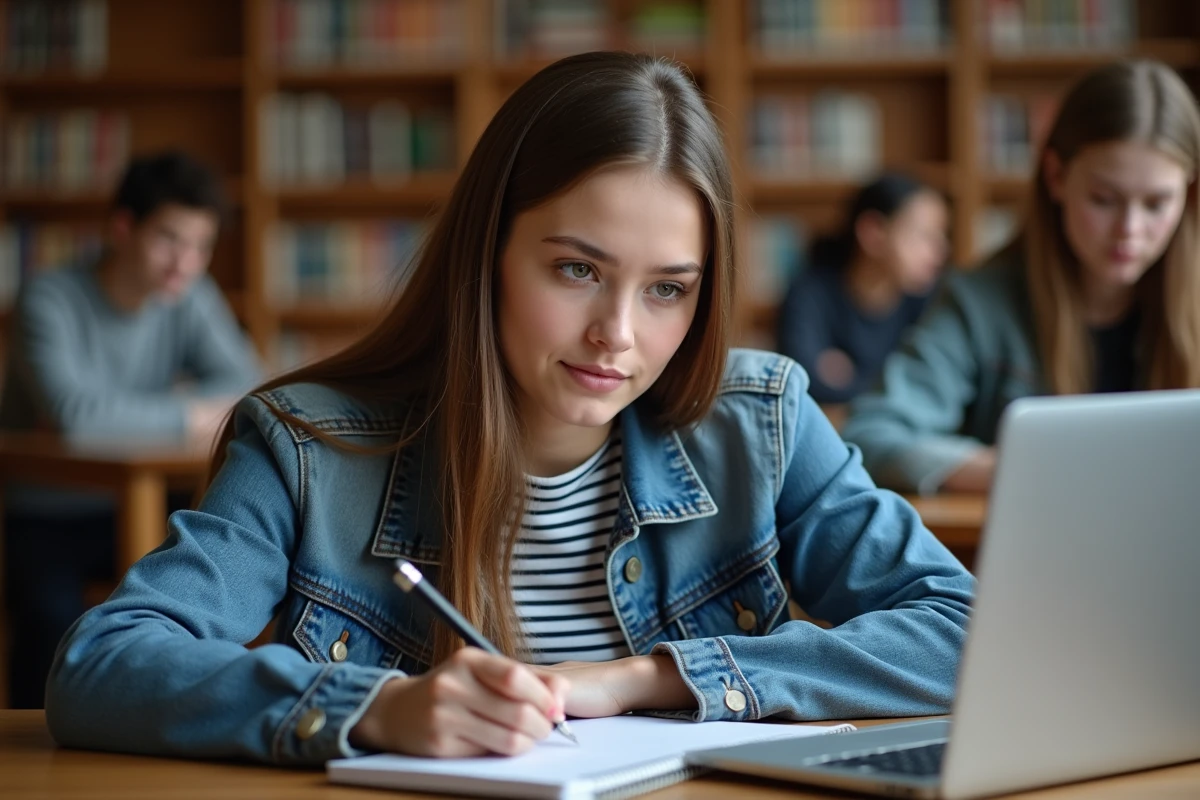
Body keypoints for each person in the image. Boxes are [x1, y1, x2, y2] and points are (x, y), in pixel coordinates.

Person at [46, 53, 973, 764]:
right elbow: (101, 667)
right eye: (577, 270)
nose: (617, 334)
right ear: (487, 252)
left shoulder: (762, 421)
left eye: (667, 290)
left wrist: (643, 681)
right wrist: (373, 709)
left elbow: (962, 631)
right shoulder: (309, 446)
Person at [842, 60, 1200, 495]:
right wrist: (1039, 473)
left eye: (1157, 203)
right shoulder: (979, 302)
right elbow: (872, 434)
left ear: (1189, 191)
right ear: (1056, 177)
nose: (1130, 228)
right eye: (1105, 199)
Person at [1, 151, 262, 707]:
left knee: (226, 590)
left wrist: (137, 409)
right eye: (170, 240)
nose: (186, 264)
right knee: (49, 619)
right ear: (123, 227)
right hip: (47, 513)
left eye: (201, 247)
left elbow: (248, 384)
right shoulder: (49, 297)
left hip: (145, 504)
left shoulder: (188, 295)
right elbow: (76, 418)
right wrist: (189, 412)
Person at [777, 172, 948, 405]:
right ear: (873, 233)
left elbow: (937, 386)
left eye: (941, 236)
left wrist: (851, 378)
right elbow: (801, 385)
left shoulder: (933, 300)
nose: (940, 251)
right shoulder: (810, 294)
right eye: (924, 236)